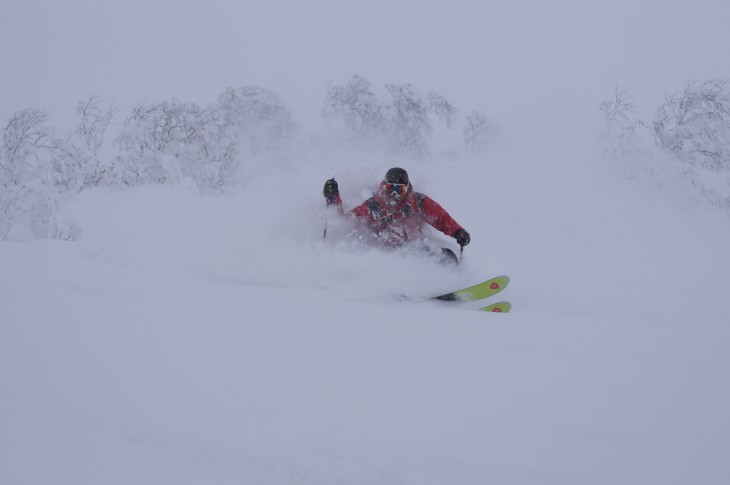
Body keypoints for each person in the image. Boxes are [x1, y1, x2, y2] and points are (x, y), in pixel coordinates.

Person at [322, 167, 470, 264]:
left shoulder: (418, 202)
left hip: (416, 250)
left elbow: (441, 219)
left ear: (407, 189)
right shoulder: (374, 206)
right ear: (383, 187)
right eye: (390, 188)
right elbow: (346, 223)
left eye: (399, 189)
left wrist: (458, 232)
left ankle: (445, 284)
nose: (394, 193)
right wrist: (333, 199)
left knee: (446, 256)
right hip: (386, 255)